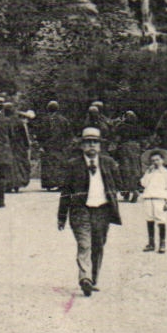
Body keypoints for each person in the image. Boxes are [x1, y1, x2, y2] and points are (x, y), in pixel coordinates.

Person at [56, 127, 127, 296]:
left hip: (102, 210)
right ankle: (85, 278)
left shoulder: (108, 163)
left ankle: (93, 279)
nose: (91, 146)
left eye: (95, 142)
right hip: (80, 210)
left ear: (100, 146)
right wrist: (61, 217)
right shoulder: (73, 165)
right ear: (82, 146)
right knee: (84, 244)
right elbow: (65, 192)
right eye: (87, 143)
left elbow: (118, 183)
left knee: (98, 245)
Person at [140, 148, 167, 253]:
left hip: (160, 198)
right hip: (148, 197)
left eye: (157, 160)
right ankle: (151, 243)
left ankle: (162, 243)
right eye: (153, 160)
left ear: (162, 160)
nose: (155, 162)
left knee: (160, 220)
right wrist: (147, 173)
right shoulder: (149, 172)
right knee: (149, 219)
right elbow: (143, 183)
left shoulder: (166, 173)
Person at [35, 100, 68, 190]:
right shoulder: (63, 120)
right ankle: (60, 183)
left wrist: (41, 145)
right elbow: (68, 134)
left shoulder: (44, 120)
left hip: (48, 146)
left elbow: (40, 134)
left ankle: (49, 184)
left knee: (48, 165)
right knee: (59, 164)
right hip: (59, 146)